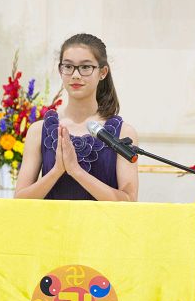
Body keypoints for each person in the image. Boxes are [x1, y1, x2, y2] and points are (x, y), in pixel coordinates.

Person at [14, 33, 138, 201]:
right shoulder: (38, 130)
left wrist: (76, 171)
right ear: (60, 70)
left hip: (101, 227)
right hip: (52, 227)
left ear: (102, 72)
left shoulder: (123, 132)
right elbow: (20, 199)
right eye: (68, 66)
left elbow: (129, 201)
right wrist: (57, 170)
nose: (76, 75)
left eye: (85, 67)